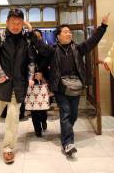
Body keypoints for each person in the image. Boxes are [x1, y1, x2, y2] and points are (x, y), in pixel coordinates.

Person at [31, 14, 109, 157]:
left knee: (73, 114)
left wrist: (103, 27)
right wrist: (31, 32)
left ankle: (66, 132)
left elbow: (93, 41)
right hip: (60, 86)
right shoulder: (53, 50)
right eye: (65, 32)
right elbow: (40, 46)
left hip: (76, 86)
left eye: (69, 32)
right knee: (66, 113)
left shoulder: (78, 49)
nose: (69, 34)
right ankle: (68, 143)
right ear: (58, 36)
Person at [0, 8, 36, 164]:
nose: (16, 26)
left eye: (19, 23)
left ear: (23, 23)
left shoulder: (26, 40)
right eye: (13, 22)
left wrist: (30, 76)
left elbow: (31, 61)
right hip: (2, 82)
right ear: (7, 22)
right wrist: (0, 74)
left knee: (13, 117)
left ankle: (8, 148)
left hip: (18, 84)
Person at [30, 29, 48, 137]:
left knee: (43, 105)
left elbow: (48, 62)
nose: (36, 39)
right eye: (34, 36)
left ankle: (44, 120)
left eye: (38, 36)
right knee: (34, 107)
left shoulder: (45, 49)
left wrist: (43, 74)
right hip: (32, 80)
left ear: (41, 37)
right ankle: (37, 128)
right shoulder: (28, 49)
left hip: (43, 79)